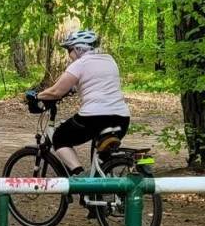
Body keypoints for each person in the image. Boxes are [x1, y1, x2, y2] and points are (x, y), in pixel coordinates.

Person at [31, 29, 130, 175]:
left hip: (95, 118)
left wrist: (36, 96)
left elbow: (56, 91)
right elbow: (96, 80)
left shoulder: (80, 63)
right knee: (102, 158)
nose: (69, 55)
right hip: (122, 118)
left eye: (69, 50)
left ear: (78, 48)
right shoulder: (110, 60)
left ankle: (80, 177)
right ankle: (102, 179)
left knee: (60, 138)